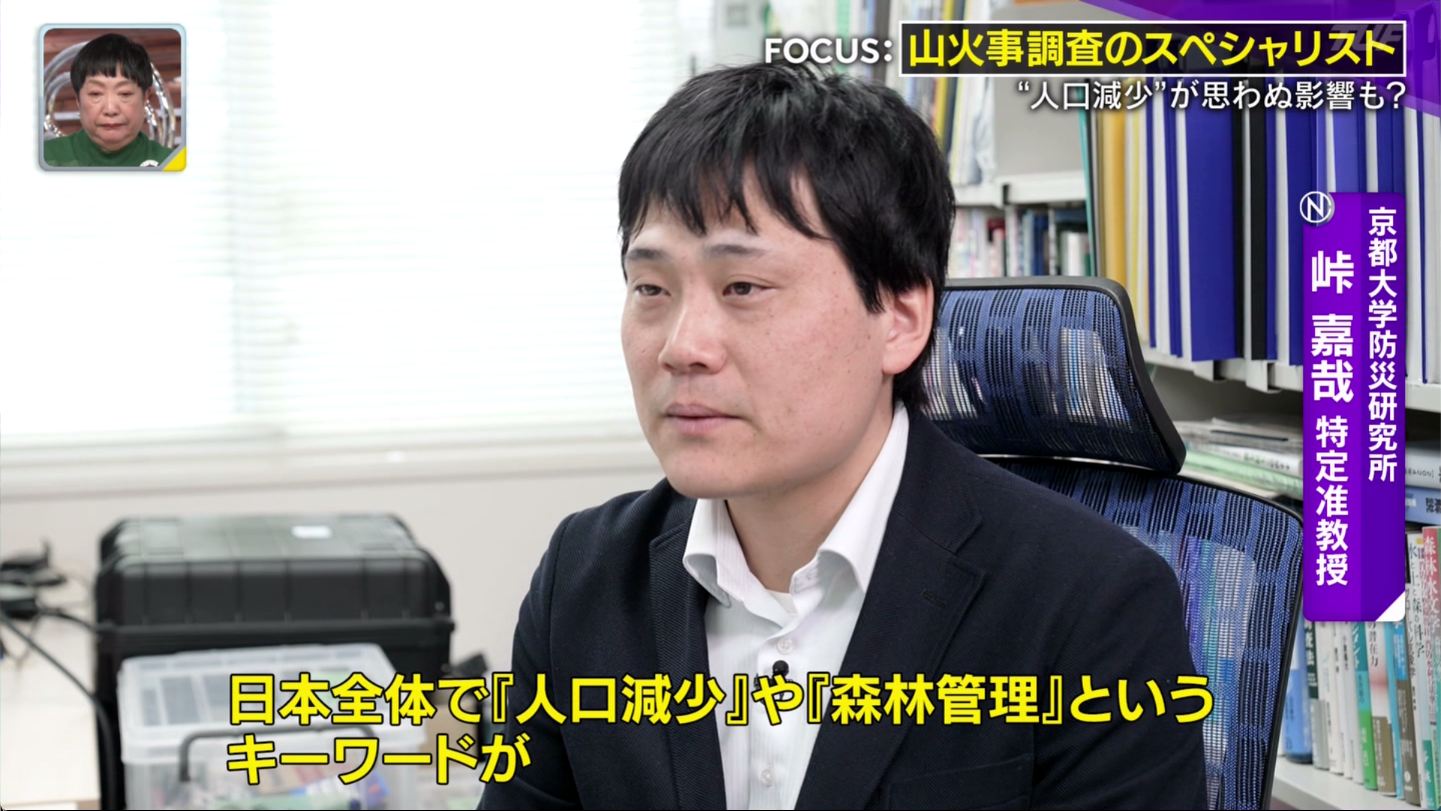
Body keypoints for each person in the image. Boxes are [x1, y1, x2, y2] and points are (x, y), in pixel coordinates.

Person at [480, 62, 1207, 810]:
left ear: (900, 318)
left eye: (743, 287)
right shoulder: (586, 578)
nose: (682, 346)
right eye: (651, 289)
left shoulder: (1091, 604)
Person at [43, 33, 174, 168]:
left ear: (145, 98)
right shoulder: (45, 158)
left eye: (125, 93)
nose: (110, 109)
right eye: (95, 94)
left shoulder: (172, 164)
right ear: (78, 101)